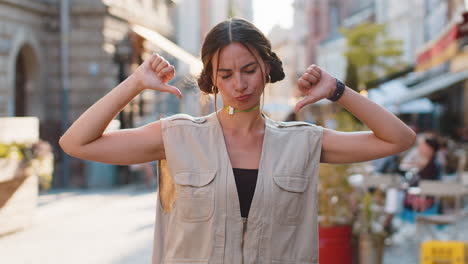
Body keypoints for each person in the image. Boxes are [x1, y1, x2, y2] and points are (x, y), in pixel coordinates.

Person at [59, 18, 416, 264]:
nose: (239, 85)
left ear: (266, 69)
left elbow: (398, 139)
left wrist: (338, 91)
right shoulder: (176, 136)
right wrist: (134, 83)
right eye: (226, 74)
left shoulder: (303, 143)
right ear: (212, 79)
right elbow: (76, 143)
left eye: (248, 70)